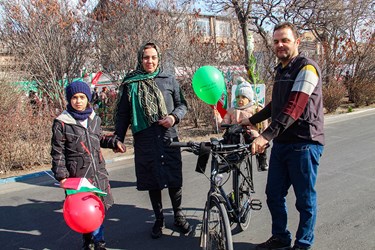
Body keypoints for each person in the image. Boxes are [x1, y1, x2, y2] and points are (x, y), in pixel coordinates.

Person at [241, 22, 324, 250]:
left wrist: (265, 136)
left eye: (285, 40)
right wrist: (252, 120)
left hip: (305, 144)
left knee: (305, 200)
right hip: (283, 143)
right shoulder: (281, 69)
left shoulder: (307, 68)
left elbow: (294, 107)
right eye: (276, 41)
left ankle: (303, 244)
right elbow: (277, 104)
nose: (280, 45)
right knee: (273, 194)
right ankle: (281, 237)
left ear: (296, 42)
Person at [114, 42, 190, 239]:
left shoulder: (169, 79)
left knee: (173, 176)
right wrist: (118, 138)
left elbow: (182, 104)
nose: (150, 61)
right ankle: (159, 219)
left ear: (159, 58)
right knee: (153, 179)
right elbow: (123, 114)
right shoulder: (131, 82)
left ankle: (178, 215)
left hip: (168, 135)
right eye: (146, 57)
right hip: (145, 138)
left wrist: (174, 117)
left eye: (153, 57)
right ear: (140, 59)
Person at [51, 80, 125, 250]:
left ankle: (98, 241)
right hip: (78, 175)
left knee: (98, 207)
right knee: (83, 210)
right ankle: (89, 240)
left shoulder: (94, 118)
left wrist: (113, 142)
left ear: (88, 99)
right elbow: (58, 152)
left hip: (98, 172)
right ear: (69, 99)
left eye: (82, 97)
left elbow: (98, 138)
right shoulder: (62, 123)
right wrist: (62, 176)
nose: (78, 101)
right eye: (75, 97)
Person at [214, 77, 269, 171]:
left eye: (243, 97)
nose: (240, 100)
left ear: (249, 98)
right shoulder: (232, 110)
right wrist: (218, 117)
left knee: (260, 143)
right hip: (233, 134)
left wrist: (264, 133)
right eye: (238, 97)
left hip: (249, 134)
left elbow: (264, 123)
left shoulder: (254, 108)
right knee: (220, 143)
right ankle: (228, 160)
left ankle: (262, 160)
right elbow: (223, 125)